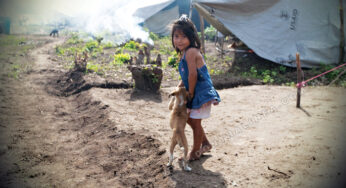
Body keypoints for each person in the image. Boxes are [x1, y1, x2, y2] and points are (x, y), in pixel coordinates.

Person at [171, 15, 221, 161]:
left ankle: (195, 152)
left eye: (183, 36)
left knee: (196, 122)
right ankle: (205, 143)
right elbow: (187, 76)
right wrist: (180, 85)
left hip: (199, 92)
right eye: (176, 36)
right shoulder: (185, 53)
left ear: (191, 37)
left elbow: (193, 75)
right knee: (190, 119)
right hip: (194, 90)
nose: (179, 40)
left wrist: (190, 93)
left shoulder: (191, 52)